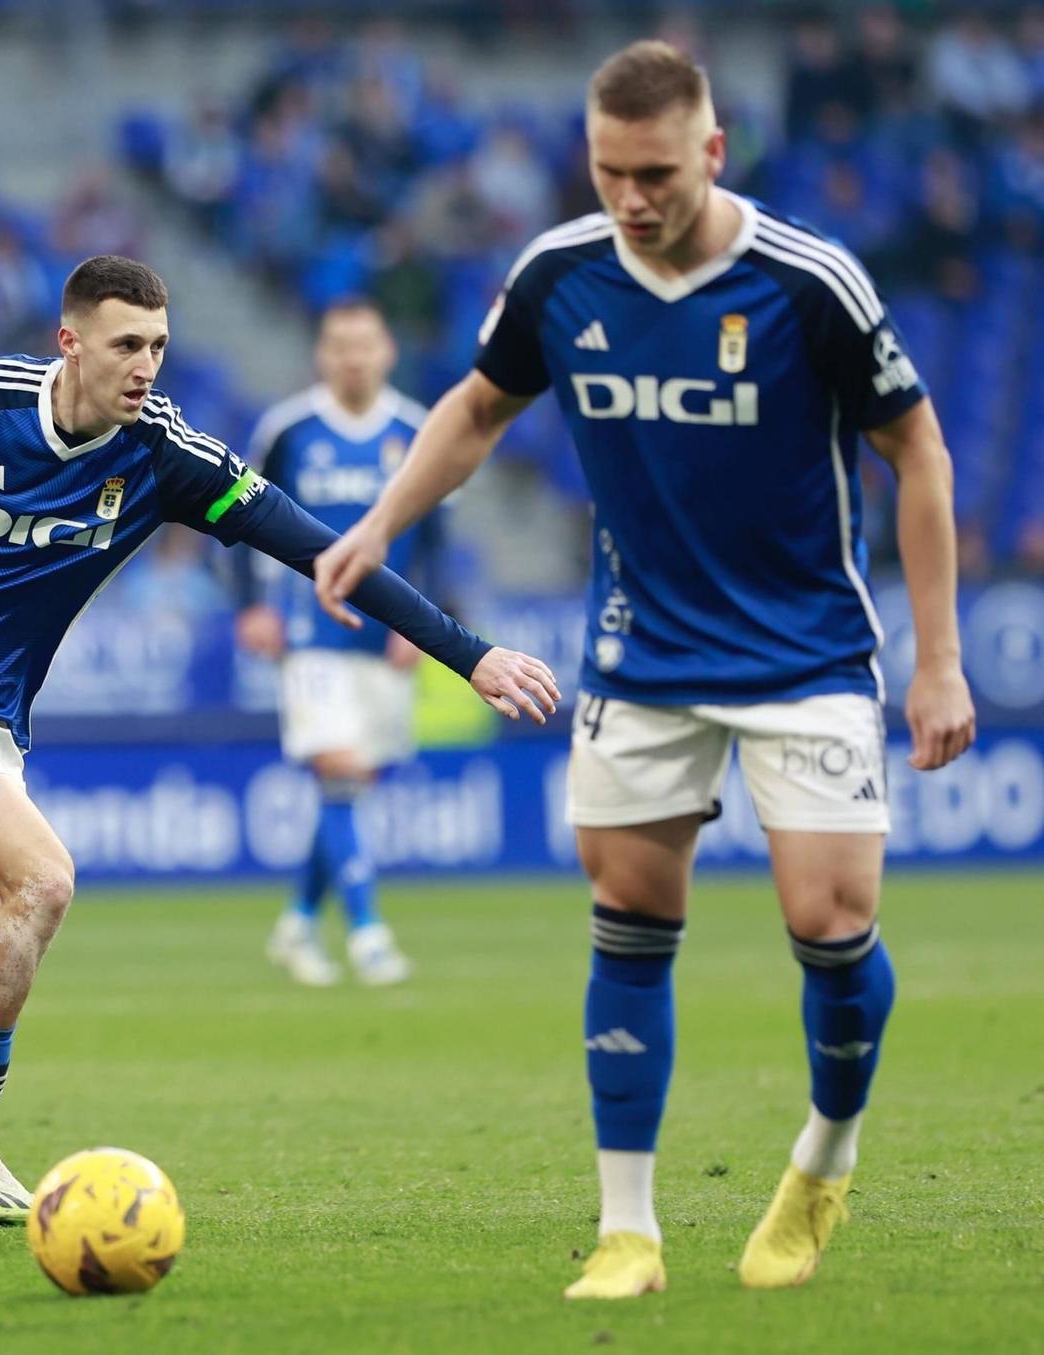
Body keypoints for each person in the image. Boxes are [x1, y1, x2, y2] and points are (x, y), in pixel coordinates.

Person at [0, 255, 559, 1231]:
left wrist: (467, 655)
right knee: (43, 879)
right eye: (124, 344)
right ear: (69, 342)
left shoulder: (168, 456)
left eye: (157, 345)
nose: (144, 365)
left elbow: (324, 550)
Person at [313, 42, 976, 1300]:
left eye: (656, 172)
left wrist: (936, 660)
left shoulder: (806, 280)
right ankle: (628, 1228)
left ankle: (822, 1155)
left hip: (804, 648)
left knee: (828, 924)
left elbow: (920, 453)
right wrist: (378, 523)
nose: (630, 197)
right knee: (628, 921)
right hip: (642, 649)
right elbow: (470, 408)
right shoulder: (557, 272)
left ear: (712, 153)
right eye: (609, 170)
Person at [238, 298, 429, 987]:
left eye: (364, 344)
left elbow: (434, 534)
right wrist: (253, 605)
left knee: (351, 785)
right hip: (310, 632)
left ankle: (296, 922)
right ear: (322, 353)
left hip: (386, 635)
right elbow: (238, 512)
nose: (353, 356)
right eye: (340, 344)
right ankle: (370, 934)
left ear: (387, 352)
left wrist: (427, 623)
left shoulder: (416, 429)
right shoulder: (289, 429)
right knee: (341, 770)